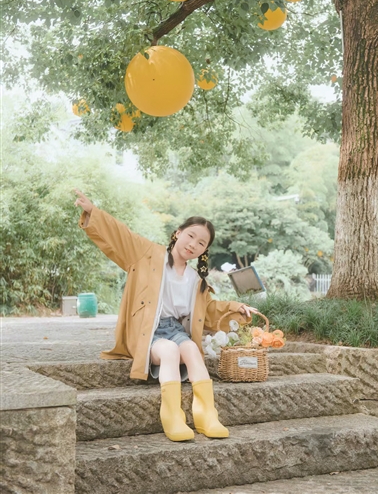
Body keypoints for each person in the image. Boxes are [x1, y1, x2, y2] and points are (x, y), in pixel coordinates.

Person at [74, 189, 257, 442]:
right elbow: (121, 235)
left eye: (201, 243)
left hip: (175, 330)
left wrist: (236, 308)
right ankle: (172, 416)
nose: (193, 244)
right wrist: (94, 212)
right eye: (190, 236)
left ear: (204, 250)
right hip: (147, 331)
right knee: (170, 351)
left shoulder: (196, 279)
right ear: (178, 233)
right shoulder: (147, 254)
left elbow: (209, 310)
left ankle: (206, 415)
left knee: (191, 349)